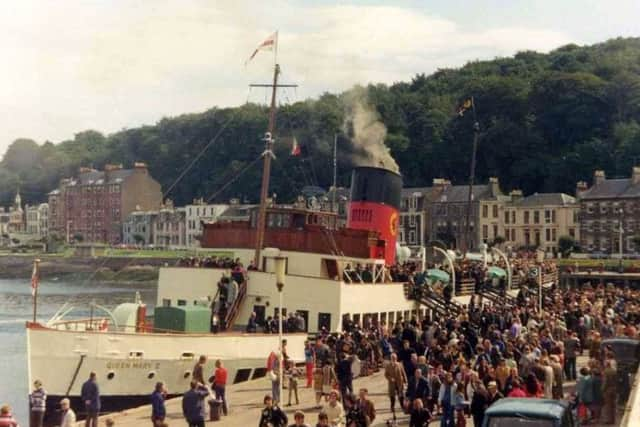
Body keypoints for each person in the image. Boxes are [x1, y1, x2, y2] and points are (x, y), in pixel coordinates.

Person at [384, 353, 407, 419]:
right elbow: (386, 374)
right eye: (392, 358)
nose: (393, 359)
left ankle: (402, 406)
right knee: (392, 396)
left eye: (395, 358)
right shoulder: (388, 366)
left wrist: (405, 381)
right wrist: (390, 378)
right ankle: (392, 407)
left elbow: (403, 373)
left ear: (396, 358)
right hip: (392, 384)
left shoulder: (399, 364)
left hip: (400, 382)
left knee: (401, 395)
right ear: (391, 359)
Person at [602, 360, 617, 425]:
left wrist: (602, 389)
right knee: (613, 405)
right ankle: (613, 419)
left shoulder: (606, 372)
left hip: (608, 390)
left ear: (606, 365)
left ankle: (608, 420)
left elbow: (605, 382)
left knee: (608, 405)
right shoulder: (614, 371)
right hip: (614, 389)